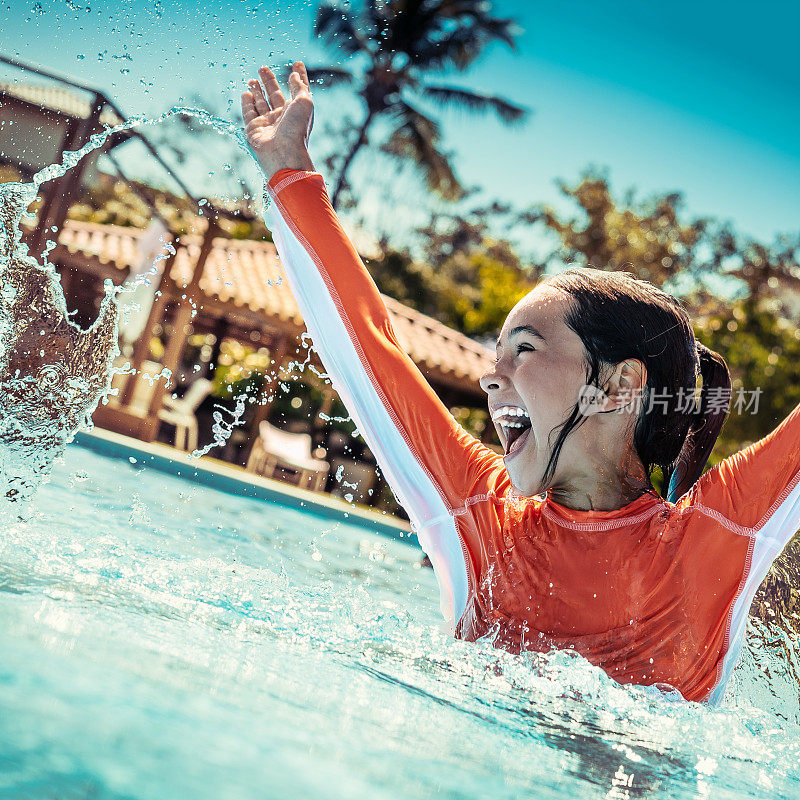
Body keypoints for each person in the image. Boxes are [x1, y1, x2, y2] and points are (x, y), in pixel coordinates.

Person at [240, 62, 800, 704]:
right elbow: (369, 346)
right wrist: (290, 174)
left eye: (524, 352)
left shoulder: (715, 537)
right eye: (496, 355)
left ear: (619, 386)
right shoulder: (477, 507)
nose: (489, 377)